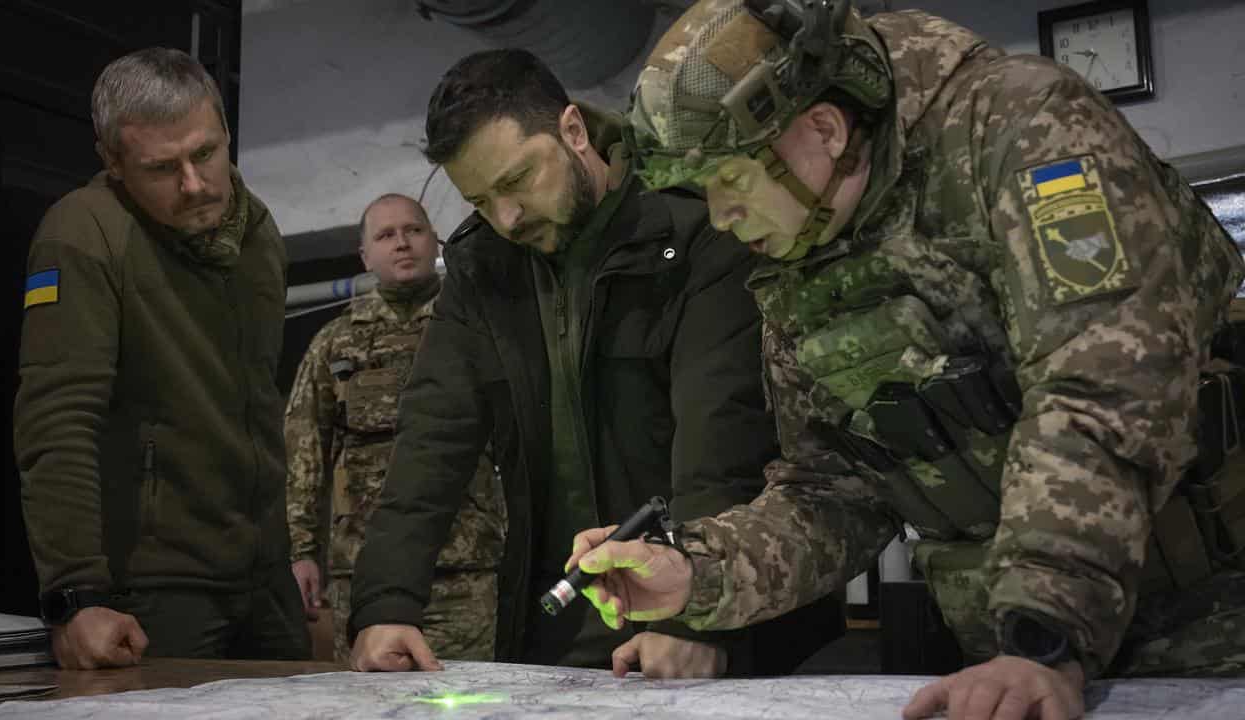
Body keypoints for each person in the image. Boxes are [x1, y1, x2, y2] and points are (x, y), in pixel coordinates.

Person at [566, 0, 1245, 717]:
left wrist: (1045, 636)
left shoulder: (1020, 126)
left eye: (732, 182)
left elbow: (1105, 385)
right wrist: (693, 572)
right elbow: (833, 489)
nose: (723, 220)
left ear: (823, 130)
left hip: (1209, 631)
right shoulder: (801, 253)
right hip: (1015, 655)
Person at [348, 48, 843, 677]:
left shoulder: (694, 230)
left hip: (721, 622)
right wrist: (385, 604)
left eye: (517, 180)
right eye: (480, 200)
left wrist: (689, 616)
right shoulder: (483, 271)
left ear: (574, 131)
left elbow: (720, 437)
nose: (506, 217)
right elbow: (430, 440)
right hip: (559, 627)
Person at [14, 47, 310, 669]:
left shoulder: (260, 234)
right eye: (161, 167)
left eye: (205, 153)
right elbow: (57, 420)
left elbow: (260, 404)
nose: (194, 184)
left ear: (227, 134)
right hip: (154, 590)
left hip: (266, 580)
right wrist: (75, 595)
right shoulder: (83, 233)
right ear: (113, 163)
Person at [285, 193, 506, 665]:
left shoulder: (479, 328)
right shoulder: (335, 343)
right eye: (386, 235)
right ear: (365, 256)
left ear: (436, 241)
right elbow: (304, 454)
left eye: (414, 230)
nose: (402, 243)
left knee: (475, 700)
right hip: (363, 570)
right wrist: (302, 550)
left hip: (465, 567)